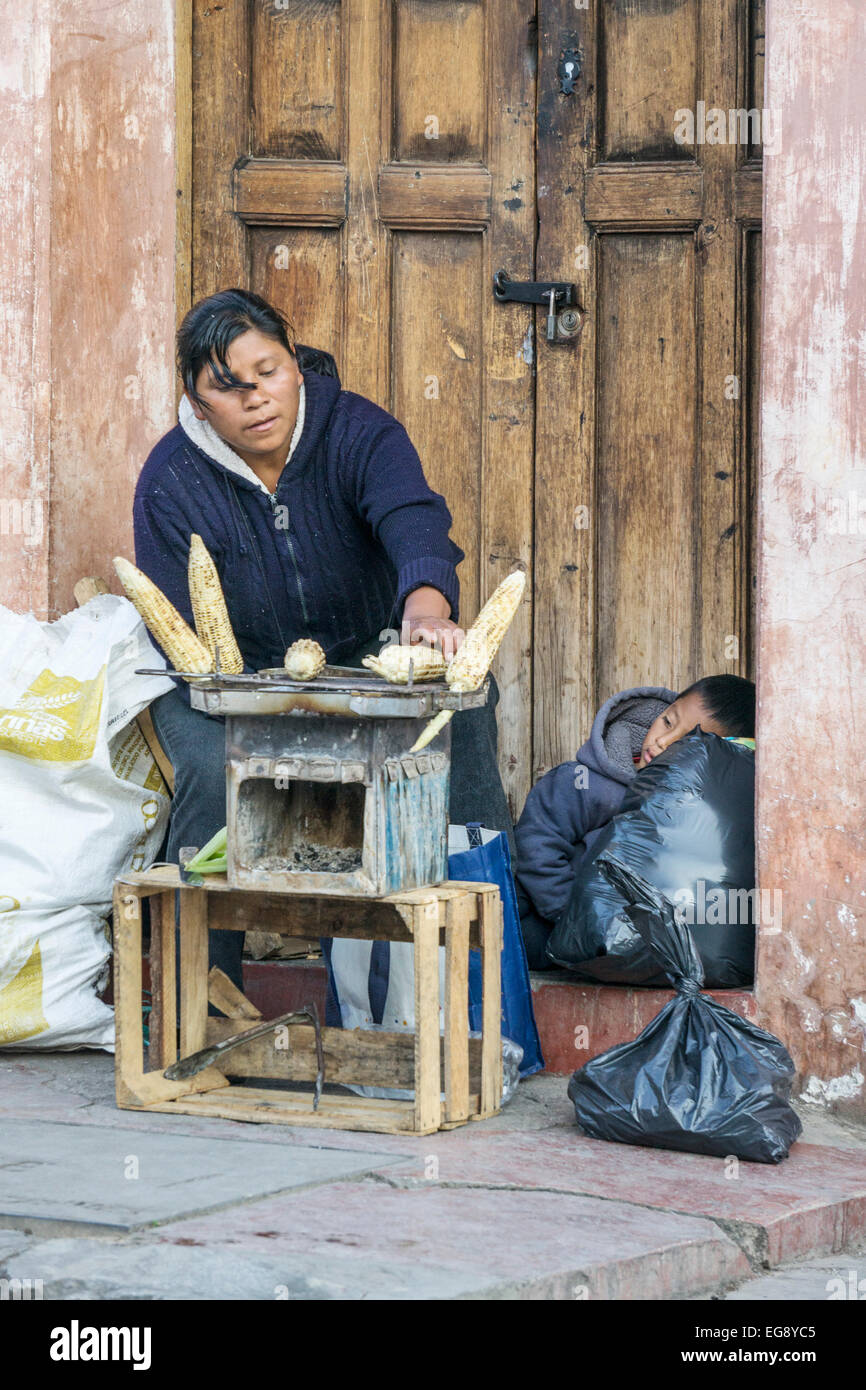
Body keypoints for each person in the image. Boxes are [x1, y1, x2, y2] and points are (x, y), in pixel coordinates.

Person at [133, 288, 514, 991]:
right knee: (211, 768)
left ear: (295, 365)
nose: (256, 398)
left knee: (465, 708)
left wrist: (426, 607)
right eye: (228, 386)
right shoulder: (170, 482)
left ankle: (485, 971)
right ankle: (203, 1001)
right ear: (195, 399)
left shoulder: (357, 431)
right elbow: (176, 630)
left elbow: (413, 520)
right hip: (229, 686)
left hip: (364, 660)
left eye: (268, 371)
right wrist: (254, 696)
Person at [514, 674, 756, 968]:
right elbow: (537, 844)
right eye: (667, 722)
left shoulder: (694, 817)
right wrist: (569, 918)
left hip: (626, 944)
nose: (663, 741)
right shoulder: (586, 783)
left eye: (687, 741)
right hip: (550, 918)